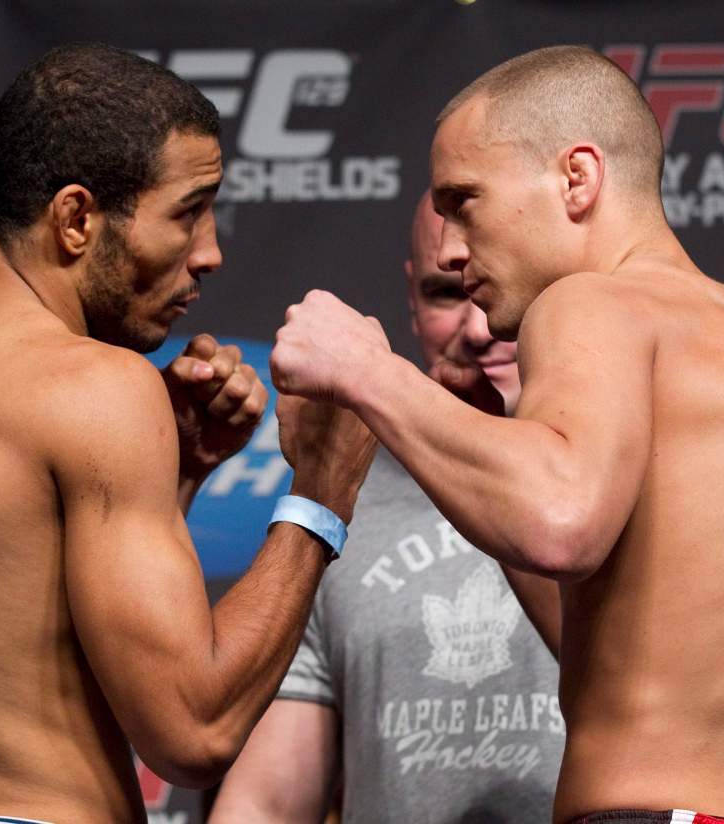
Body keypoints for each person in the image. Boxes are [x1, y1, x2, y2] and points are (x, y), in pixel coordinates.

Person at [269, 46, 724, 824]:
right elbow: (621, 654)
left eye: (465, 201)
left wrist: (367, 372)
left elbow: (558, 523)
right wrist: (484, 438)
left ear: (577, 178)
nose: (456, 247)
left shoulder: (592, 305)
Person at [0, 43, 376, 824]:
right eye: (188, 211)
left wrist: (178, 475)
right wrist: (322, 490)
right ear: (75, 218)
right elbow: (195, 730)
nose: (211, 253)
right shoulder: (90, 385)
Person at [210, 192, 565, 824]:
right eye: (445, 293)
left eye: (503, 289)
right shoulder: (338, 502)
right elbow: (265, 802)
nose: (479, 329)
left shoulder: (645, 489)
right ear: (411, 295)